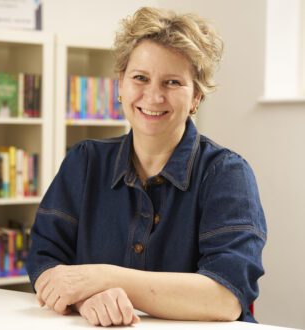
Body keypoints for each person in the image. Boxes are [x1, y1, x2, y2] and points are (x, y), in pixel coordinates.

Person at [26, 7, 267, 327]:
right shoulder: (84, 161)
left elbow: (225, 296)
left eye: (172, 82)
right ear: (121, 85)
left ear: (196, 95)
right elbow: (44, 260)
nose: (153, 96)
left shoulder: (226, 173)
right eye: (140, 78)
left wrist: (103, 278)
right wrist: (86, 298)